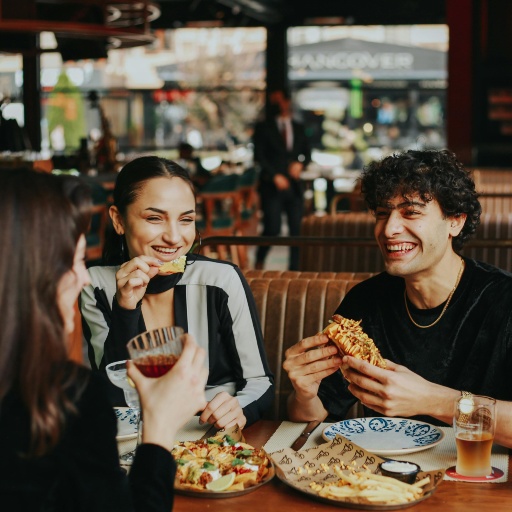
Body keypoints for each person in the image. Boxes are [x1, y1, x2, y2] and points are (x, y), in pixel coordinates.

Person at [0, 168, 208, 510]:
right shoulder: (65, 401)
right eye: (73, 261)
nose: (81, 278)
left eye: (186, 219)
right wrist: (158, 429)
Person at [282, 149, 512, 448]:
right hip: (381, 479)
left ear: (455, 221)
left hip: (482, 477)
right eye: (382, 213)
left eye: (411, 212)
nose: (389, 229)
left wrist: (434, 401)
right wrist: (304, 393)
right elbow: (312, 418)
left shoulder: (503, 301)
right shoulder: (366, 302)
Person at [80, 155, 274, 429]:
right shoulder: (96, 287)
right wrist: (125, 309)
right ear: (118, 220)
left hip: (212, 438)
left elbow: (259, 382)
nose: (174, 237)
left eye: (185, 220)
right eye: (154, 218)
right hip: (138, 440)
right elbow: (114, 395)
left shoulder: (220, 280)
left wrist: (237, 409)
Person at [253, 88, 311, 270]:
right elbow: (259, 156)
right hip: (271, 186)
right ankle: (259, 261)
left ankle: (295, 269)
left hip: (294, 186)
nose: (276, 105)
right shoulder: (263, 127)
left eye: (279, 101)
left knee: (297, 230)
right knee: (272, 228)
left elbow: (307, 154)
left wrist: (300, 164)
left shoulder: (299, 127)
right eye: (273, 102)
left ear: (287, 102)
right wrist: (274, 175)